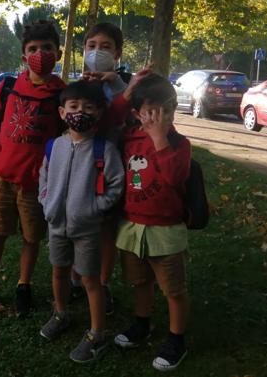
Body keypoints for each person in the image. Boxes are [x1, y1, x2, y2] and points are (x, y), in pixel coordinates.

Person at [0, 20, 66, 317]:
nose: (40, 54)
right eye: (32, 49)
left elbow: (70, 137)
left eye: (46, 48)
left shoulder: (63, 95)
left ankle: (23, 285)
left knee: (32, 238)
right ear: (23, 57)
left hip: (35, 185)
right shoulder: (8, 88)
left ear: (58, 53)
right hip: (3, 179)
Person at [38, 80, 124, 363]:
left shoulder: (104, 148)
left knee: (90, 279)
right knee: (59, 270)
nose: (80, 112)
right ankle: (61, 313)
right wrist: (46, 201)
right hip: (56, 224)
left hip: (87, 228)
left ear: (99, 113)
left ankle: (97, 333)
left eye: (88, 107)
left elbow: (116, 184)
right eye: (74, 107)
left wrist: (94, 208)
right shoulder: (54, 147)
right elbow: (44, 178)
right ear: (62, 113)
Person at [114, 74, 192, 372]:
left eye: (167, 111)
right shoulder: (128, 138)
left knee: (172, 288)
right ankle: (142, 322)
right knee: (140, 281)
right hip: (133, 226)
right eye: (151, 112)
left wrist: (159, 138)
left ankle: (176, 338)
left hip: (165, 230)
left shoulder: (178, 143)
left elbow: (174, 180)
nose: (160, 118)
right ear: (136, 114)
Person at [70, 22, 128, 315]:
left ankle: (102, 282)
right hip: (81, 165)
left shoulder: (126, 87)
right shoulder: (78, 87)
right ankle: (76, 276)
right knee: (77, 221)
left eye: (105, 47)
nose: (97, 52)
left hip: (112, 166)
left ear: (117, 53)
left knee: (106, 228)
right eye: (91, 46)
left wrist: (115, 84)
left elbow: (129, 110)